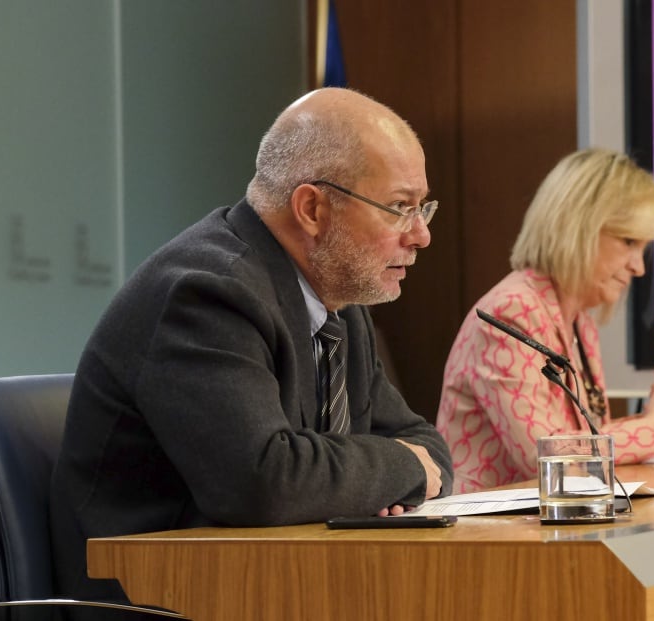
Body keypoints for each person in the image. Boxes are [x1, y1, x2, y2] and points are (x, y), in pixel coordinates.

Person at [49, 88, 453, 616]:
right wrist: (401, 468)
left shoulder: (338, 303)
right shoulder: (207, 293)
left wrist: (395, 468)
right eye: (399, 208)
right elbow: (263, 482)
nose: (420, 235)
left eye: (422, 208)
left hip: (271, 586)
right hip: (157, 599)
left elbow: (427, 445)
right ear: (312, 208)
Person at [436, 148, 654, 493]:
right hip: (489, 536)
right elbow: (543, 456)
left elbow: (579, 443)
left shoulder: (579, 321)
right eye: (629, 242)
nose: (639, 267)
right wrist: (651, 427)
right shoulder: (511, 311)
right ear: (578, 228)